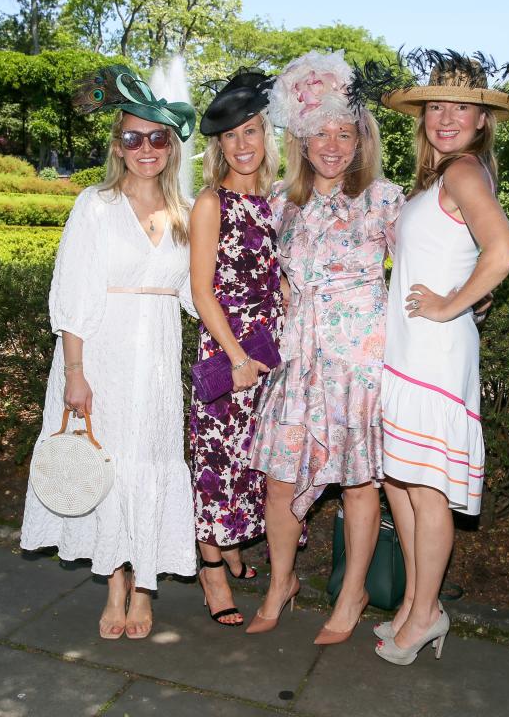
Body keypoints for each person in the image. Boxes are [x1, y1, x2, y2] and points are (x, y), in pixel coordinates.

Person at [370, 48, 509, 664]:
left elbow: (503, 251)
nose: (446, 116)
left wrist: (453, 305)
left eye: (463, 107)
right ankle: (411, 606)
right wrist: (458, 296)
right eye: (437, 106)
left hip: (432, 355)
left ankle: (425, 614)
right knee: (399, 482)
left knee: (425, 493)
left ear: (484, 120)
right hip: (406, 351)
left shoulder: (463, 171)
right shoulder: (442, 174)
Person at [20, 66, 198, 641]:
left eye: (157, 138)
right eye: (132, 138)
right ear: (117, 147)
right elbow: (72, 292)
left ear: (171, 146)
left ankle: (146, 587)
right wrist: (75, 372)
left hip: (157, 363)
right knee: (108, 466)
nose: (145, 149)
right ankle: (117, 582)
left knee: (149, 462)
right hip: (102, 356)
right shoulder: (94, 205)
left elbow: (202, 295)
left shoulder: (188, 212)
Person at [246, 51, 405, 643]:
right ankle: (279, 582)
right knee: (280, 481)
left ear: (362, 139)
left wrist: (465, 302)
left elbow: (425, 270)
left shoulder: (386, 200)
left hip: (360, 365)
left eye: (345, 132)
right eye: (320, 133)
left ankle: (352, 594)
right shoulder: (282, 203)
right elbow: (273, 282)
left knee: (360, 483)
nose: (333, 145)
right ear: (301, 138)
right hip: (299, 360)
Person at [188, 68, 283, 626]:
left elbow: (279, 274)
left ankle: (234, 544)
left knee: (253, 461)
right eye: (231, 136)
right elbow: (202, 290)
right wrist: (237, 357)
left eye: (251, 131)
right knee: (216, 461)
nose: (242, 145)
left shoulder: (276, 202)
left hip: (268, 352)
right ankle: (212, 569)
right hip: (227, 353)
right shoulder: (210, 202)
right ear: (219, 146)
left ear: (266, 135)